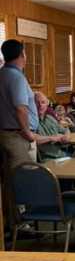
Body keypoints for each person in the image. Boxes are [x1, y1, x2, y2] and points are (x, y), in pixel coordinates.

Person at [0, 39, 39, 167]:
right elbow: (21, 108)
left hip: (6, 133)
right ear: (22, 54)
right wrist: (27, 132)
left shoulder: (2, 73)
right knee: (22, 178)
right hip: (18, 136)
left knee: (10, 179)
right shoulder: (16, 77)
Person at [34, 92, 70, 162]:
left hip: (61, 155)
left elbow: (65, 129)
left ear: (47, 104)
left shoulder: (50, 118)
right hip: (48, 160)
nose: (40, 105)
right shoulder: (32, 121)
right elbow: (32, 139)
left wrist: (66, 136)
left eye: (43, 102)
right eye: (37, 103)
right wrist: (51, 138)